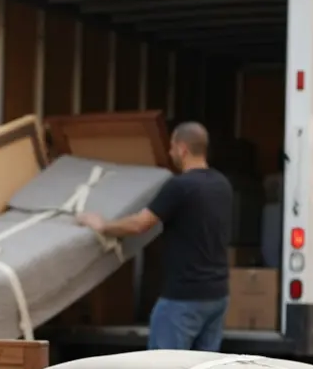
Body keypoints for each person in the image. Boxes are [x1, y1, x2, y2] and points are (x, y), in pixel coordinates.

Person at [76, 121, 234, 351]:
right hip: (217, 297)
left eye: (171, 147)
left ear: (182, 149)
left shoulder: (180, 187)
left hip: (183, 298)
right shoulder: (222, 185)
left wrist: (102, 225)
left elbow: (140, 224)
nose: (170, 153)